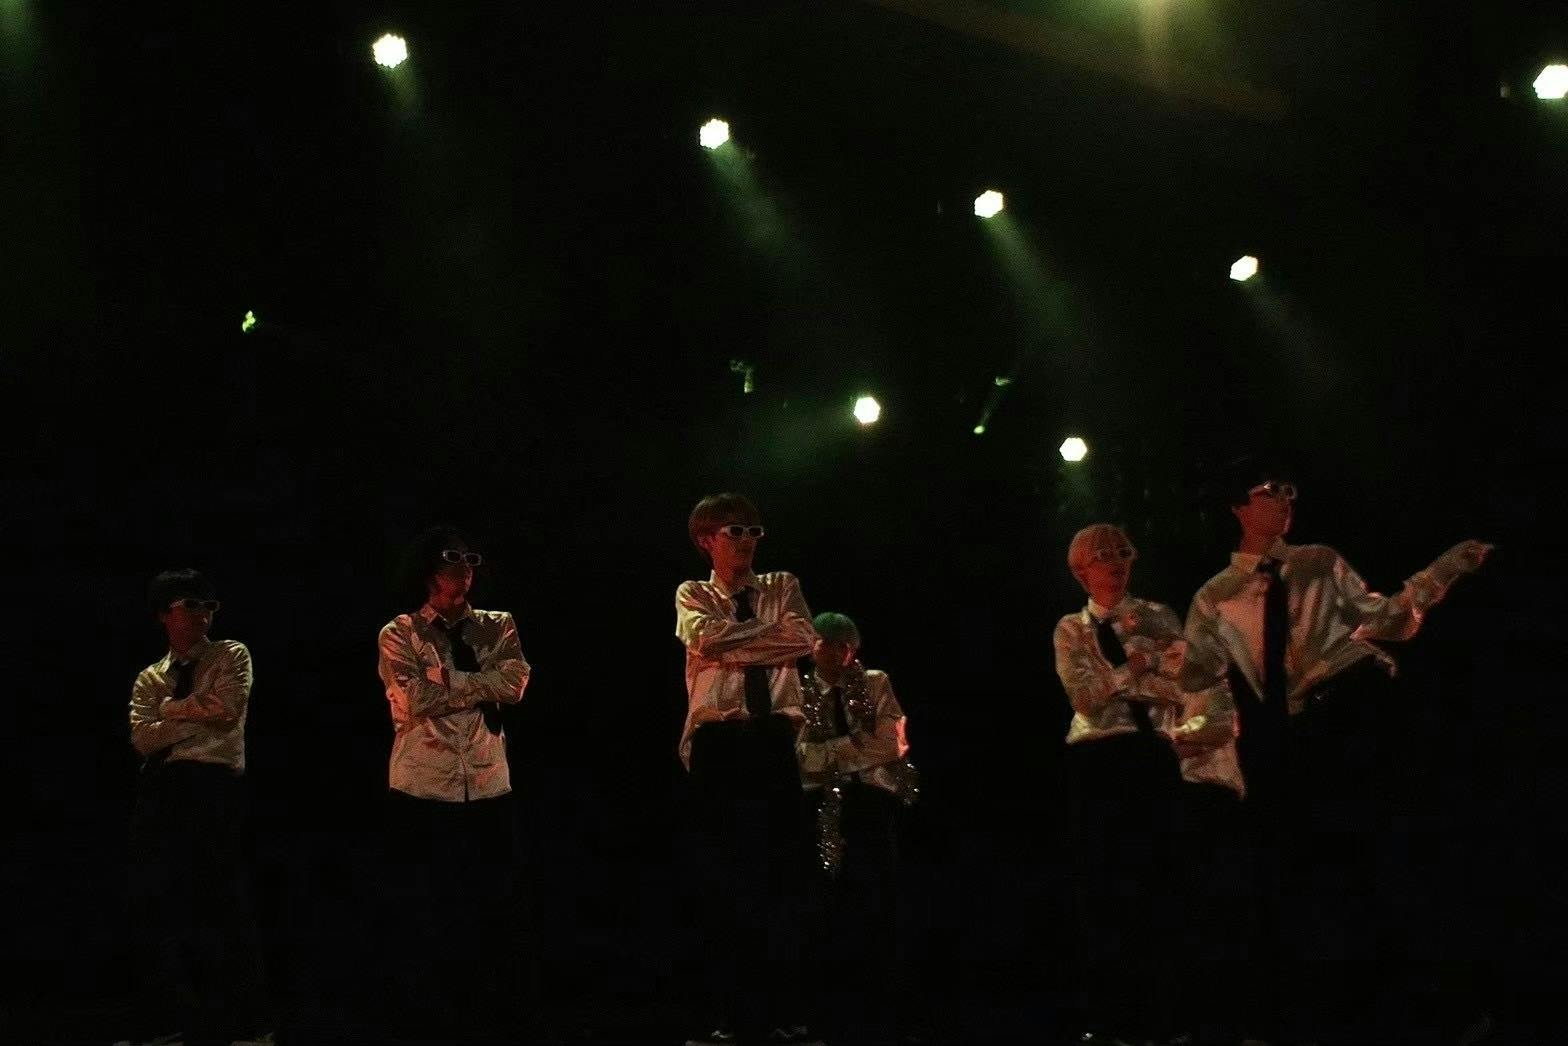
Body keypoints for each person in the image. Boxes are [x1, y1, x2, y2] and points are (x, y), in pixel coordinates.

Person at [1180, 465, 1491, 1044]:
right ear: (1238, 507)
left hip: (1357, 707)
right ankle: (1337, 1009)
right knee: (1320, 869)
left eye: (1289, 491)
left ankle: (1431, 1006)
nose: (1285, 499)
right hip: (1299, 732)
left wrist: (1444, 570)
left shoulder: (1318, 562)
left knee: (1392, 849)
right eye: (1270, 491)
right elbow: (1203, 685)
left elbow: (1387, 618)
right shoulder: (1215, 598)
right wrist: (1207, 754)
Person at [1053, 524, 1228, 1046]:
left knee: (1160, 878)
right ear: (1081, 571)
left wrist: (1132, 676)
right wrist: (1136, 667)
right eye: (1101, 556)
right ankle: (1114, 1017)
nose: (1115, 562)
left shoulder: (1157, 615)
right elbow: (1084, 698)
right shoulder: (1071, 628)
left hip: (1151, 754)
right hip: (1098, 758)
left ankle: (1166, 1015)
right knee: (1105, 884)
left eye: (1122, 552)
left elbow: (1178, 683)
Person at [675, 493, 820, 1046]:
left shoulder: (782, 584)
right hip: (719, 741)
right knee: (723, 875)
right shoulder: (693, 593)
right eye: (734, 531)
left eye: (754, 531)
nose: (747, 541)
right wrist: (767, 640)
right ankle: (728, 1014)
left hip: (772, 738)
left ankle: (783, 1010)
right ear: (706, 539)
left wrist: (734, 646)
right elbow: (704, 638)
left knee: (779, 872)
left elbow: (803, 638)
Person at [377, 525, 531, 1040]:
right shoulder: (400, 632)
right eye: (452, 558)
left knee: (491, 907)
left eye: (471, 559)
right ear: (428, 568)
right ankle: (428, 1020)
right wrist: (480, 685)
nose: (465, 568)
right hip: (424, 785)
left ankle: (488, 1016)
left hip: (487, 783)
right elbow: (414, 700)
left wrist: (446, 679)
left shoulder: (498, 624)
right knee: (428, 909)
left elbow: (515, 684)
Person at [127, 568, 270, 1046]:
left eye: (210, 605)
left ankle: (246, 1022)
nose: (204, 614)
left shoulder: (230, 654)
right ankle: (173, 1019)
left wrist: (169, 710)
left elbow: (227, 709)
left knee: (223, 901)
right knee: (163, 902)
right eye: (191, 604)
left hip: (213, 786)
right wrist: (193, 716)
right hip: (164, 787)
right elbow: (142, 739)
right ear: (164, 614)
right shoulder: (151, 675)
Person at [796, 611, 915, 1044]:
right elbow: (801, 759)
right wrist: (852, 752)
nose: (832, 650)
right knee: (828, 905)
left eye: (841, 644)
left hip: (873, 801)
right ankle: (831, 1014)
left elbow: (891, 743)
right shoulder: (798, 690)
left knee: (877, 900)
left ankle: (882, 1014)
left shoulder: (875, 683)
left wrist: (831, 755)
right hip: (823, 807)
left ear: (853, 650)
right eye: (824, 642)